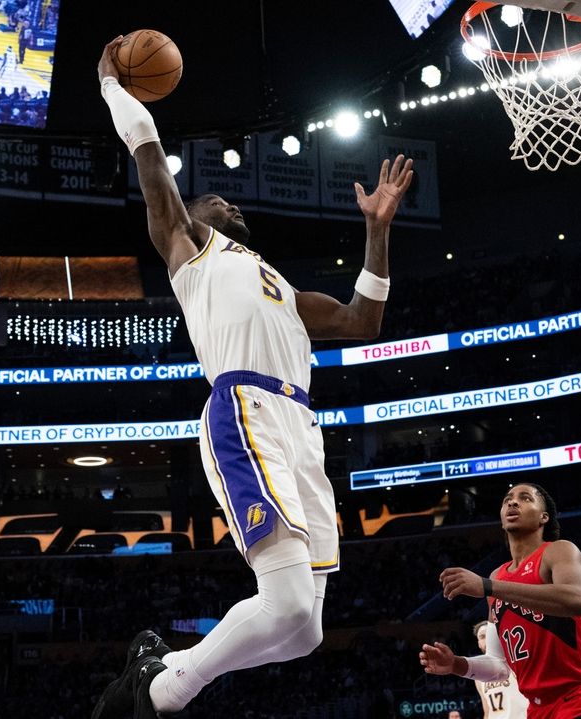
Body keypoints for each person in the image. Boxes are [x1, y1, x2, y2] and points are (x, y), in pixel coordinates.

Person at [91, 35, 413, 719]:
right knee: (287, 600)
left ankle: (165, 668)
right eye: (215, 200)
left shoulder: (282, 286)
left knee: (305, 628)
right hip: (245, 409)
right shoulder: (188, 247)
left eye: (232, 206)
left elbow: (362, 321)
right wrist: (113, 87)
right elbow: (149, 154)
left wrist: (377, 232)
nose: (228, 205)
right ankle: (159, 690)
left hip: (300, 427)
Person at [420, 484, 581, 719]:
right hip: (538, 708)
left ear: (543, 517)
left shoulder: (558, 551)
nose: (512, 503)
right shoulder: (497, 576)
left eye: (525, 498)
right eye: (507, 500)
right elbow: (498, 665)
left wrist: (487, 586)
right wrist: (456, 665)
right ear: (502, 519)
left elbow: (576, 600)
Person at [472, 621, 528, 719]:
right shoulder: (478, 676)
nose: (487, 640)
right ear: (479, 644)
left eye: (490, 635)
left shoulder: (514, 662)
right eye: (482, 637)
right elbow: (487, 711)